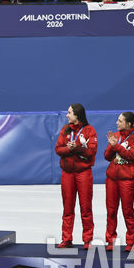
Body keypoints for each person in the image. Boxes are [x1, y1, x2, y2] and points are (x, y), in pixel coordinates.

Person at [55, 103, 97, 249]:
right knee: (67, 207)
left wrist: (77, 148)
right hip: (67, 173)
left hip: (83, 173)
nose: (67, 115)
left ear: (77, 114)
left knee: (86, 207)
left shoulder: (89, 130)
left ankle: (87, 240)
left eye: (69, 113)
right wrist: (68, 148)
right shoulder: (65, 129)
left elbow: (91, 151)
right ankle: (66, 239)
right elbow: (58, 149)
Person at [103, 112, 134, 251]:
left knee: (127, 211)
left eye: (120, 121)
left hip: (127, 179)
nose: (117, 123)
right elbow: (107, 156)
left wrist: (116, 146)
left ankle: (130, 241)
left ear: (129, 124)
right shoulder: (116, 135)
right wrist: (111, 146)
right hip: (112, 179)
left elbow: (132, 155)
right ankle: (110, 240)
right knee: (111, 210)